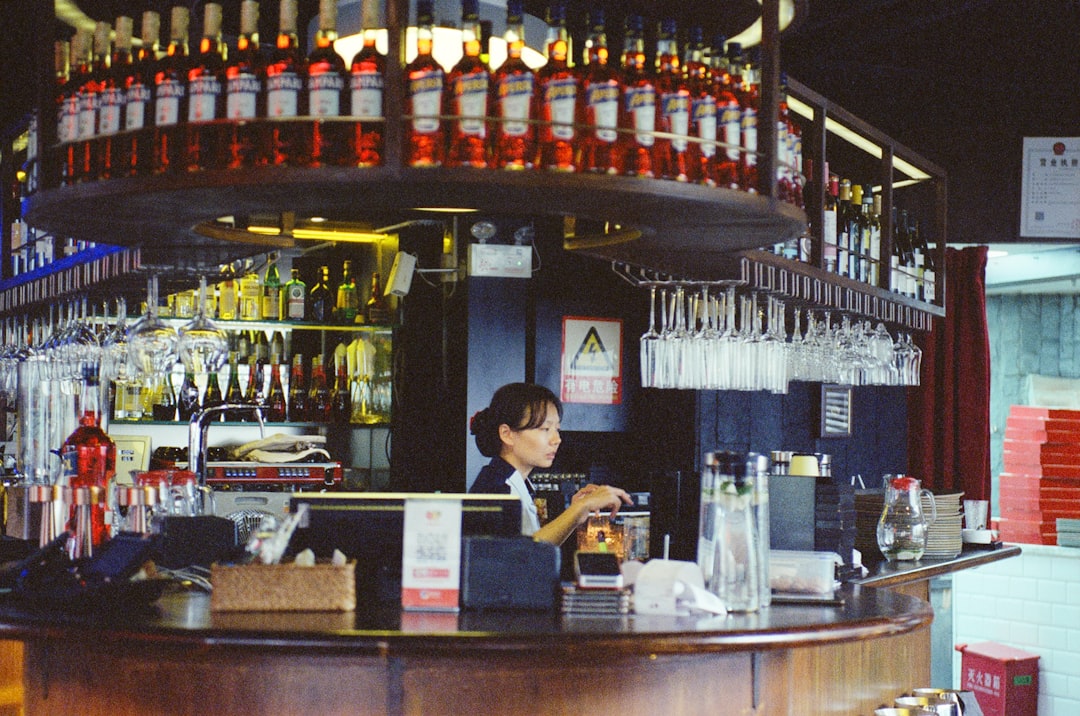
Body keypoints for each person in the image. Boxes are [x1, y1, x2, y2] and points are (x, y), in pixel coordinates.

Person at [469, 382, 632, 546]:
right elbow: (521, 554)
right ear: (507, 434)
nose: (557, 440)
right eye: (545, 429)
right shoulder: (496, 490)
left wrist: (575, 512)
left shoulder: (515, 482)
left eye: (557, 429)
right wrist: (580, 507)